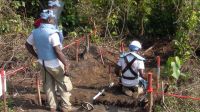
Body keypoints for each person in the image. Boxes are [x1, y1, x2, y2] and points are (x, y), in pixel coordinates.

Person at [25, 10, 74, 112]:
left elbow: (27, 45)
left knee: (48, 86)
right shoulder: (52, 33)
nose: (54, 20)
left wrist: (37, 55)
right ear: (48, 19)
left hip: (43, 63)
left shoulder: (35, 32)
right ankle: (66, 107)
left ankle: (53, 107)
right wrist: (66, 64)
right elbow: (58, 51)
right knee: (63, 85)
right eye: (52, 19)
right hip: (55, 64)